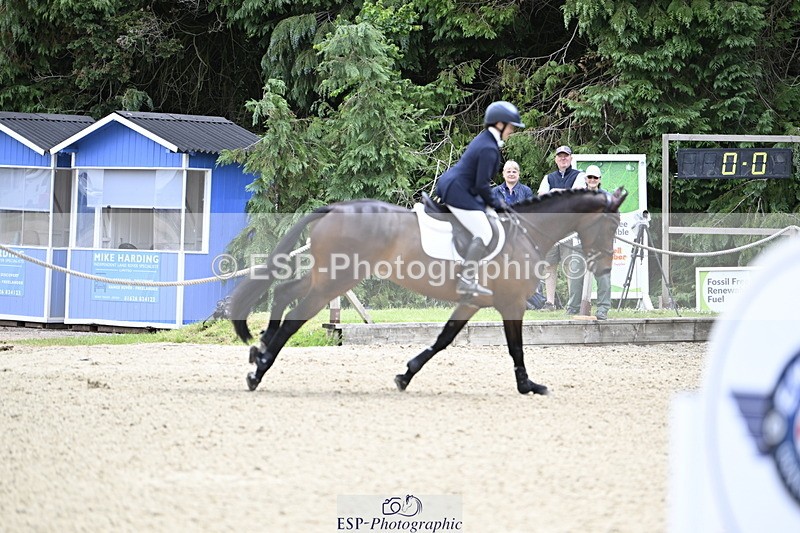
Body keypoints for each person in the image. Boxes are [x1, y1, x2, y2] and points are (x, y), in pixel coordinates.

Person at [436, 101, 525, 298]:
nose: (512, 131)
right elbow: (481, 185)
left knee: (488, 220)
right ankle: (466, 280)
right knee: (484, 231)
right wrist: (499, 205)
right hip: (458, 190)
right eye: (510, 126)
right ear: (500, 124)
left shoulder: (486, 140)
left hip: (460, 187)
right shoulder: (488, 148)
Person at [537, 145, 587, 311]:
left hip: (570, 228)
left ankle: (572, 304)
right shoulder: (548, 177)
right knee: (549, 265)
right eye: (560, 156)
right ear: (556, 159)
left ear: (571, 158)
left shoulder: (580, 176)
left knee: (570, 265)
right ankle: (550, 302)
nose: (563, 159)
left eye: (566, 156)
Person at [567, 164, 612, 320]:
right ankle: (573, 307)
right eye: (590, 177)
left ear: (599, 179)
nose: (592, 180)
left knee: (603, 276)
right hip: (580, 241)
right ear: (586, 179)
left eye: (595, 177)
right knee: (575, 274)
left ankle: (603, 308)